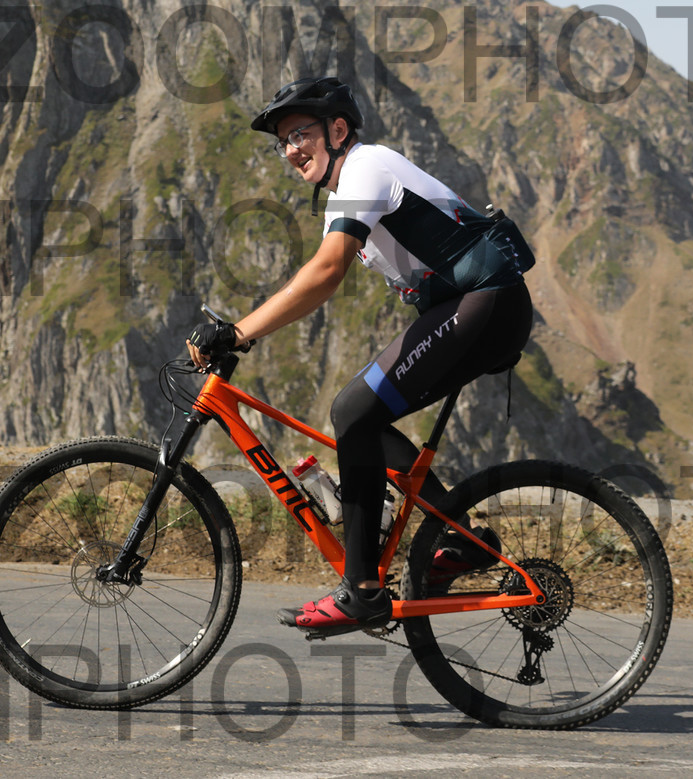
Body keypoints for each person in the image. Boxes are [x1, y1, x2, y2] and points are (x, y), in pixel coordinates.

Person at [185, 76, 534, 631]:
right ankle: (462, 540)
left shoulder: (367, 168)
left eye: (299, 134)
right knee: (361, 417)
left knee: (353, 411)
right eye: (282, 143)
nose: (289, 151)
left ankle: (363, 589)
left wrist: (238, 332)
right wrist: (243, 332)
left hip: (487, 301)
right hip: (481, 307)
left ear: (338, 130)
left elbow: (326, 272)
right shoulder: (347, 189)